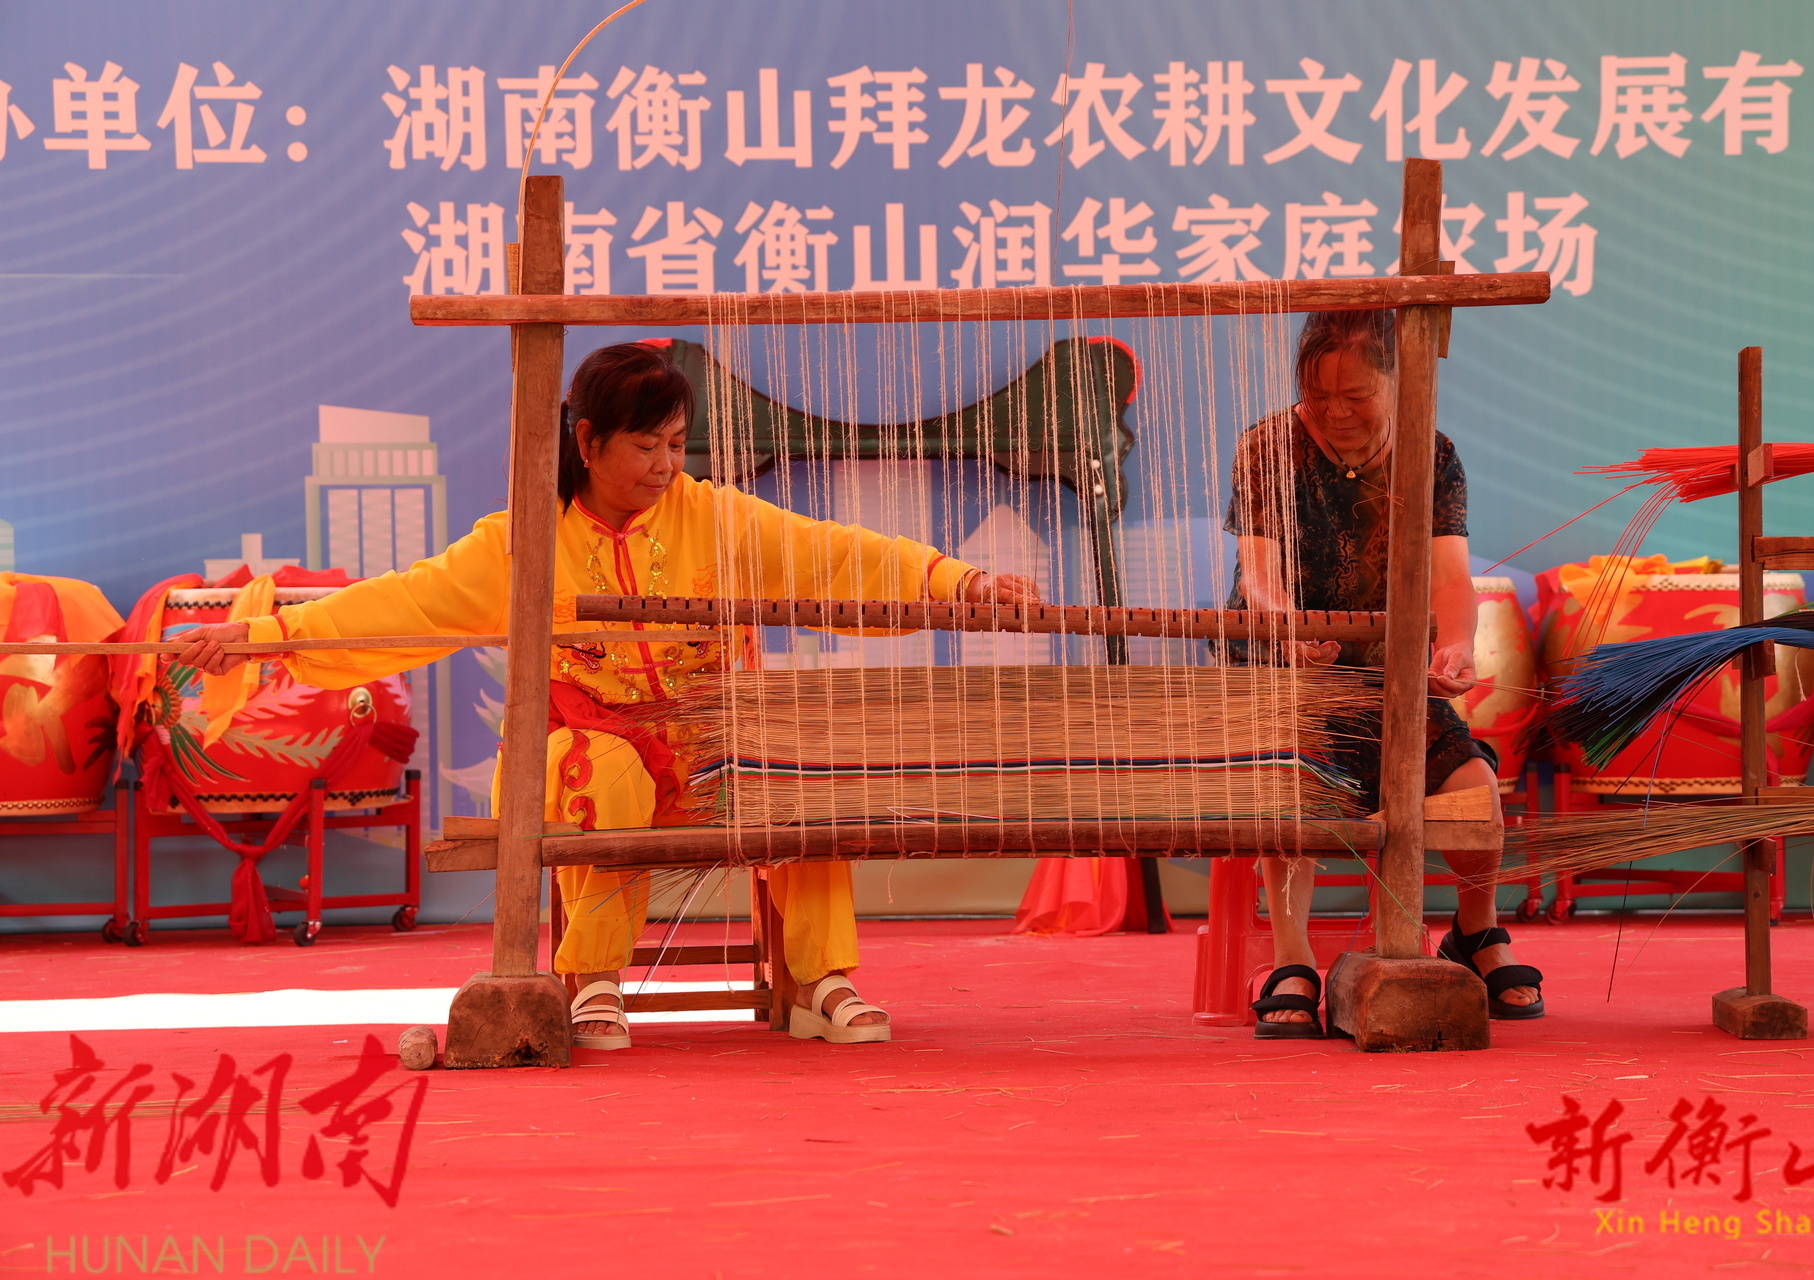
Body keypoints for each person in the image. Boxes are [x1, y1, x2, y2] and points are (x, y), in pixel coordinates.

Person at [175, 342, 1039, 1049]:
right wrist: (262, 637)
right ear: (587, 443)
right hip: (583, 748)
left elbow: (835, 555)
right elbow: (406, 602)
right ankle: (593, 978)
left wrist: (957, 582)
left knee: (793, 756)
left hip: (710, 750)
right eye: (645, 447)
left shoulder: (716, 518)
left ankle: (820, 981)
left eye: (676, 445)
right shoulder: (524, 540)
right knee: (602, 763)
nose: (666, 466)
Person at [1220, 309, 1543, 1038]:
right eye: (1318, 394)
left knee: (1473, 790)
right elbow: (1259, 573)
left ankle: (1475, 932)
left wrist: (1454, 646)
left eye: (1356, 395)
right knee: (1292, 787)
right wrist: (1286, 625)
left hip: (1388, 681)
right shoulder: (1268, 446)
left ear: (1399, 382)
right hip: (1286, 673)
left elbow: (1449, 579)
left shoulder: (1431, 453)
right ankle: (1292, 957)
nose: (1335, 411)